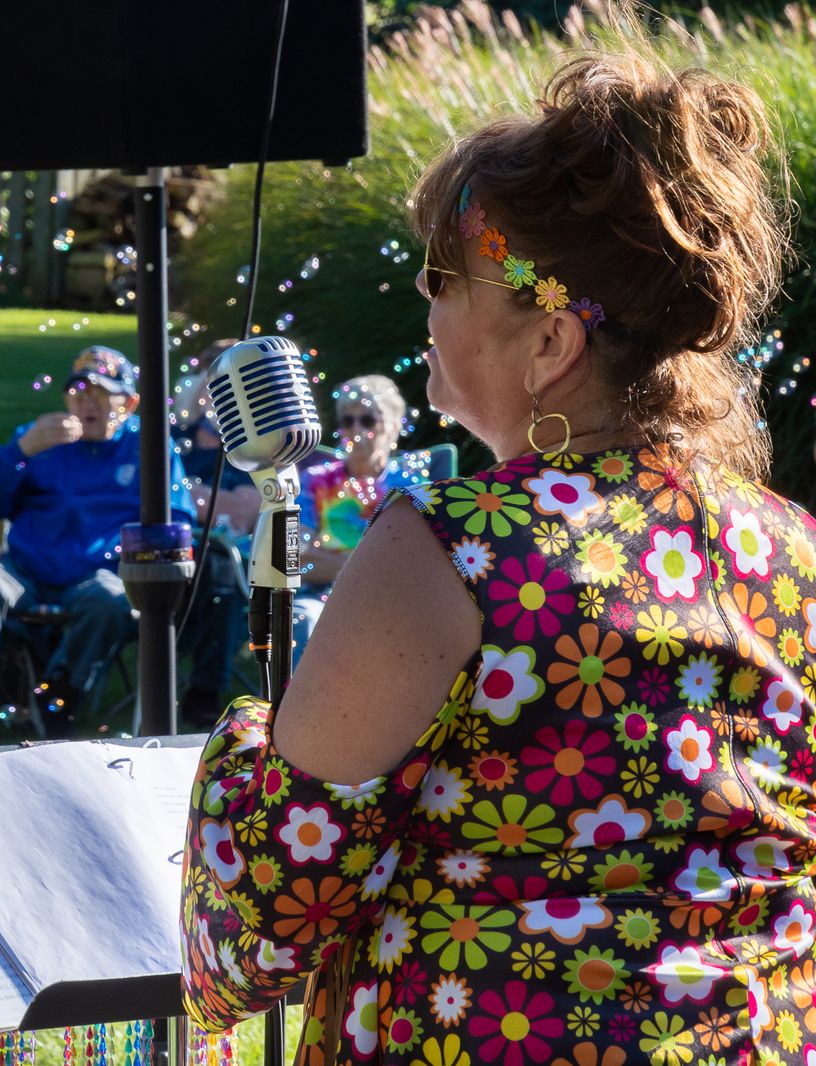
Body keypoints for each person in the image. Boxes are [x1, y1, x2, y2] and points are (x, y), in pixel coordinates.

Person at [181, 41, 815, 1062]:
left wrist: (243, 749)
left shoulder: (447, 545)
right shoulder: (790, 547)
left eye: (444, 276)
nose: (421, 296)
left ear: (551, 345)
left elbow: (273, 908)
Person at [0, 345, 195, 739]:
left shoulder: (149, 446)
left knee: (110, 597)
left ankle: (60, 693)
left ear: (129, 403)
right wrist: (19, 451)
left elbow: (178, 520)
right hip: (26, 573)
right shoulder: (39, 440)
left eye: (100, 393)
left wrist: (133, 552)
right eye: (77, 392)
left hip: (99, 576)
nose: (86, 403)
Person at [290, 374, 429, 662]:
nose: (356, 430)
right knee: (301, 619)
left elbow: (409, 564)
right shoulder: (315, 481)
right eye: (347, 420)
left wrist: (330, 561)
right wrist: (367, 566)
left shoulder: (411, 488)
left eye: (368, 420)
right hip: (320, 596)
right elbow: (297, 558)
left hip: (389, 602)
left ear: (394, 426)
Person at [172, 339, 257, 727]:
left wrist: (197, 497)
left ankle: (204, 689)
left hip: (234, 562)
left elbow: (251, 508)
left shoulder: (257, 446)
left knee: (220, 562)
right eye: (215, 381)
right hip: (173, 558)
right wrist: (218, 501)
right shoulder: (176, 439)